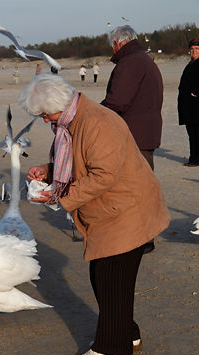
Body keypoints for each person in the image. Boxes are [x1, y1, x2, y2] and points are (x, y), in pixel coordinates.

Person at [20, 73, 169, 355]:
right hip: (116, 211)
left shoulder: (97, 122)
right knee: (108, 278)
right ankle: (127, 333)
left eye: (46, 115)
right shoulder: (76, 120)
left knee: (110, 278)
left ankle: (112, 346)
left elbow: (102, 175)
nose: (46, 121)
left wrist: (58, 197)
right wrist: (50, 171)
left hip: (126, 211)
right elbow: (80, 161)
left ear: (59, 105)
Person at [101, 25, 164, 253]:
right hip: (145, 132)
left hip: (135, 135)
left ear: (118, 43)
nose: (112, 49)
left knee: (138, 187)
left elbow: (117, 101)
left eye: (112, 45)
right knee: (142, 185)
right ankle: (142, 236)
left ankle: (144, 238)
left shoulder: (131, 63)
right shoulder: (143, 59)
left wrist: (94, 114)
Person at [177, 38, 199, 167]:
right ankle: (193, 157)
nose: (194, 51)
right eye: (192, 49)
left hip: (196, 106)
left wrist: (196, 92)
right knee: (192, 133)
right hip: (188, 107)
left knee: (196, 133)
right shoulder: (190, 64)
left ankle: (196, 159)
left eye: (197, 49)